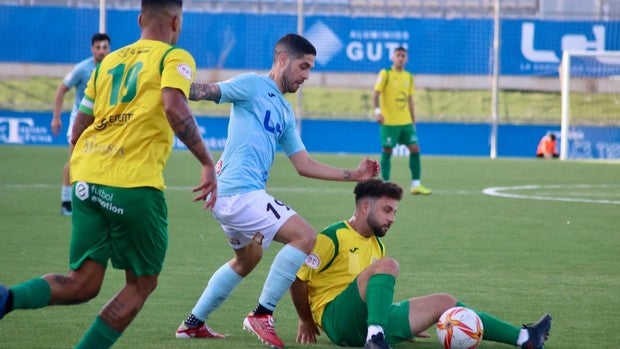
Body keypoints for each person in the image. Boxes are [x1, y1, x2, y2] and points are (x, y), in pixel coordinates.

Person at [0, 1, 218, 348]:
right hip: (133, 183)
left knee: (83, 282)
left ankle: (6, 299)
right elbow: (174, 104)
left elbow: (79, 124)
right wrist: (207, 162)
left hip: (86, 176)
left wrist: (81, 161)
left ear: (140, 19)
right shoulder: (173, 57)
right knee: (141, 283)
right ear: (177, 21)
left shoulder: (108, 62)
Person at [174, 33, 380, 349]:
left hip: (235, 195)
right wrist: (167, 80)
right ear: (282, 60)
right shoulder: (253, 85)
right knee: (306, 237)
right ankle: (262, 314)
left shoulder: (284, 112)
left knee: (247, 260)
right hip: (238, 192)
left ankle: (192, 324)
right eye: (303, 66)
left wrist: (354, 175)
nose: (307, 76)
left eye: (311, 69)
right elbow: (202, 91)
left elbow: (303, 163)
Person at [290, 179, 552, 349]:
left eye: (394, 212)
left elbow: (371, 292)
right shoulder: (332, 236)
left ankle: (525, 338)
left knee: (444, 302)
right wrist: (305, 320)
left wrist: (398, 321)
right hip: (337, 321)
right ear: (364, 207)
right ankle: (376, 337)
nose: (392, 218)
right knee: (388, 265)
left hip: (365, 321)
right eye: (387, 210)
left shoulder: (376, 245)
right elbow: (299, 279)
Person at [52, 32, 111, 216]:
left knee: (103, 161)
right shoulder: (82, 68)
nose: (102, 51)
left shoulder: (113, 67)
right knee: (73, 161)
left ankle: (97, 202)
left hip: (102, 122)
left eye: (105, 47)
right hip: (80, 120)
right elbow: (62, 89)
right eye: (98, 47)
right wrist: (56, 117)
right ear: (92, 48)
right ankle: (66, 203)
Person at [373, 46, 431, 196]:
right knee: (387, 150)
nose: (400, 58)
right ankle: (385, 185)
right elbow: (376, 94)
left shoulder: (409, 76)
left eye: (403, 55)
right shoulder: (385, 73)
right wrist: (378, 112)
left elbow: (410, 99)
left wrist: (413, 119)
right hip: (389, 122)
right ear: (392, 57)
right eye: (398, 55)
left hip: (405, 122)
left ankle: (416, 185)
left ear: (407, 59)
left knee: (415, 149)